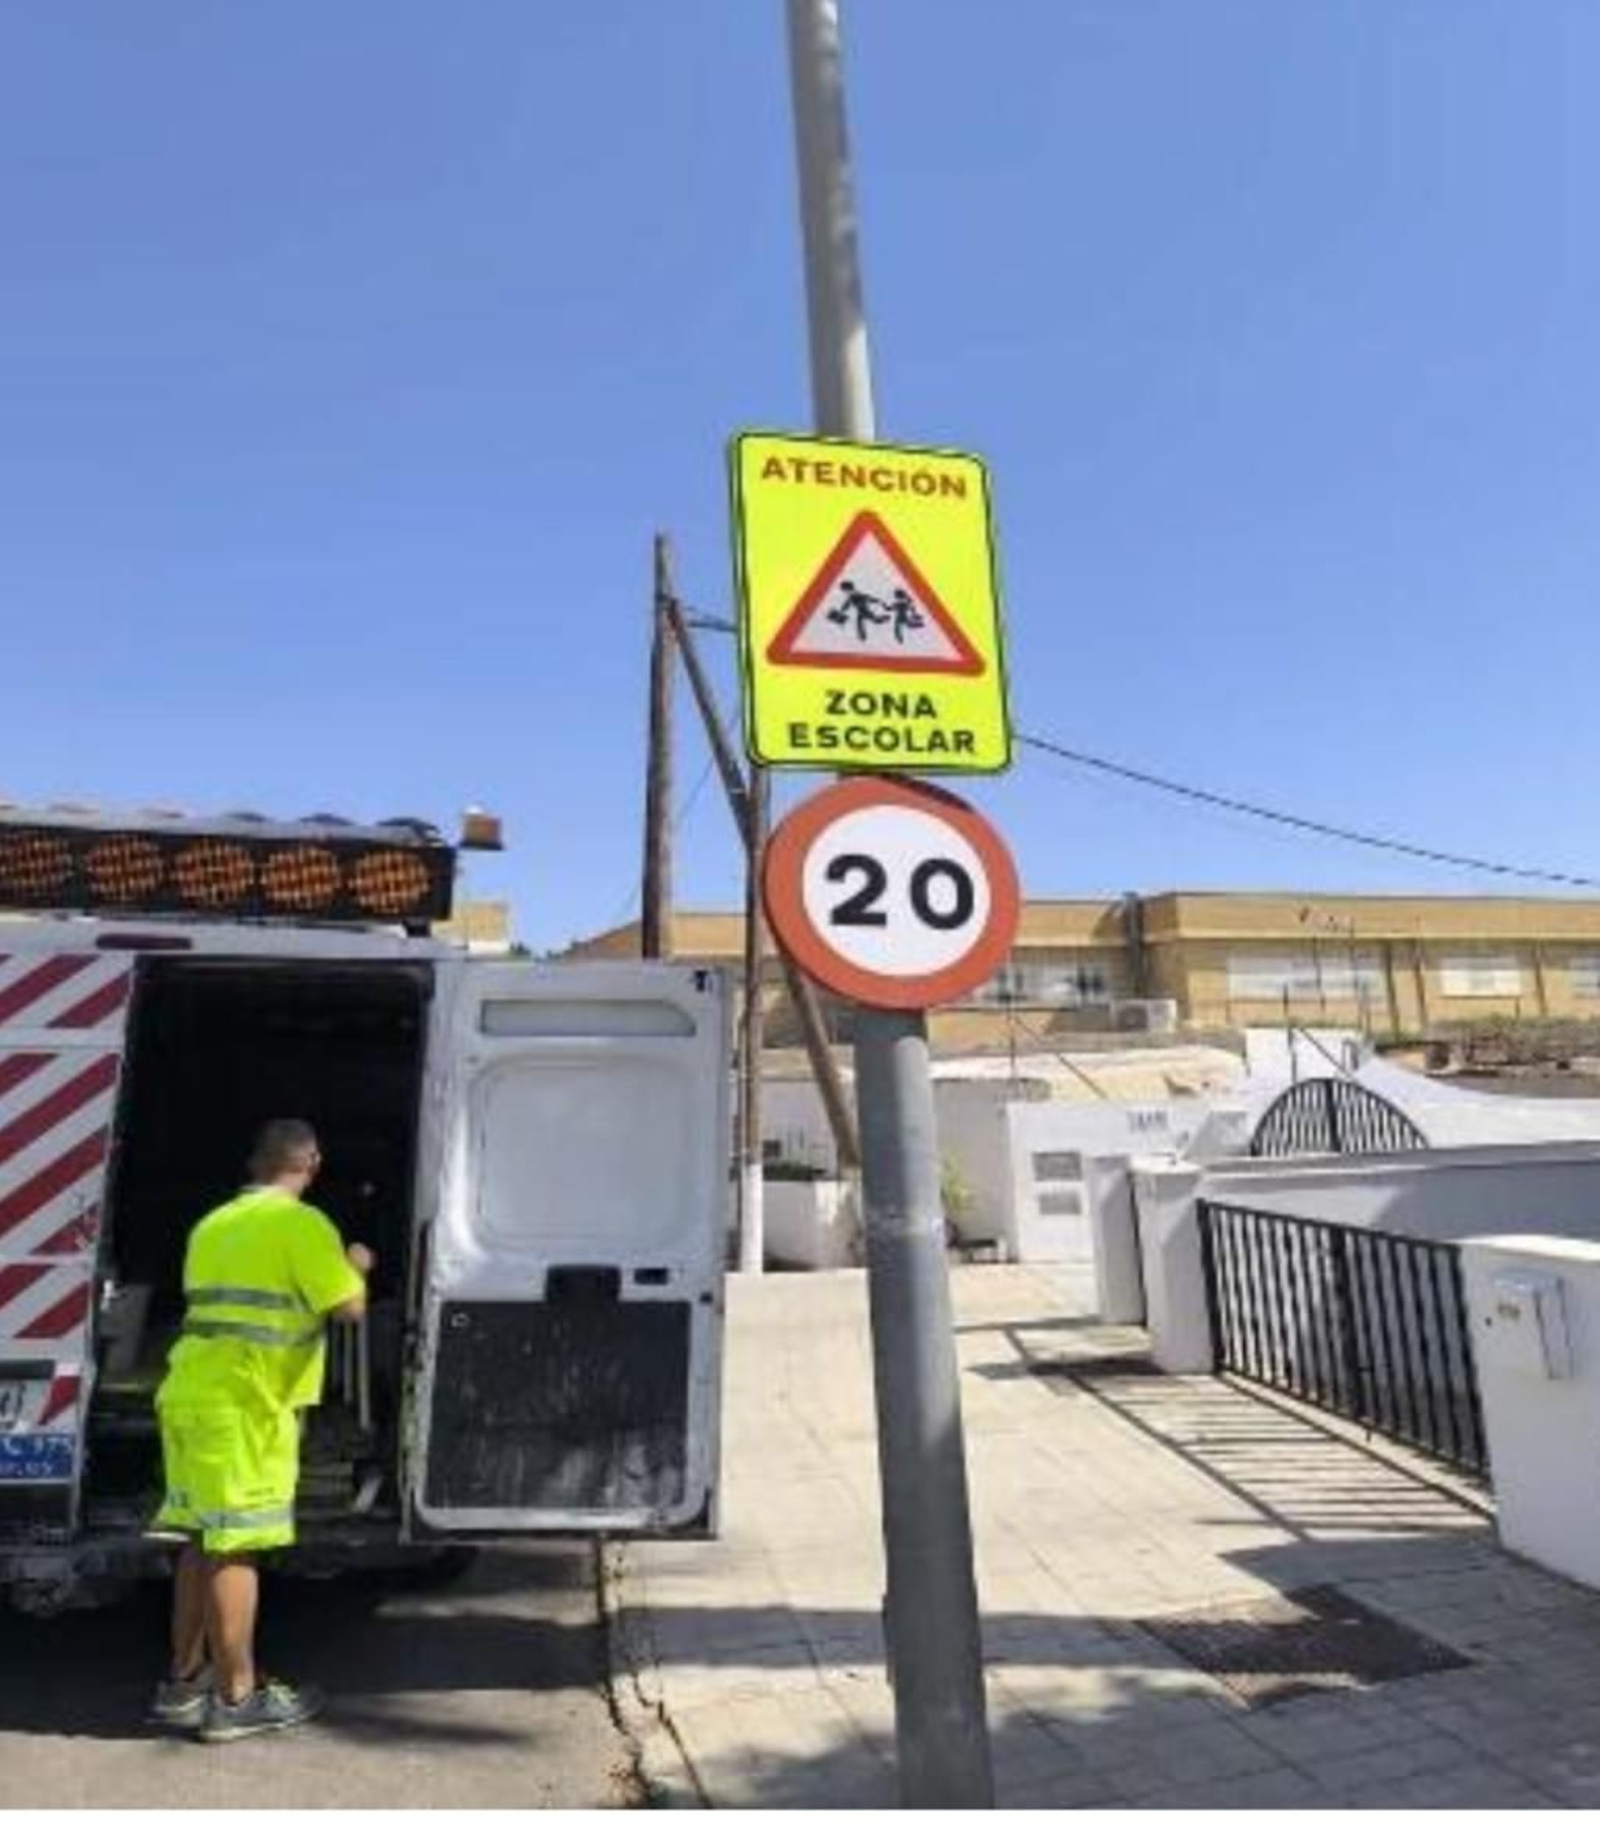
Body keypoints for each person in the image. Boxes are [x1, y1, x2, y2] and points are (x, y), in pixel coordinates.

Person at [147, 1119, 374, 1742]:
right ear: (313, 1162)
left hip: (190, 1395)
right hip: (247, 1405)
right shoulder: (302, 1225)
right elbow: (348, 1308)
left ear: (255, 1163)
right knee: (235, 1546)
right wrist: (355, 1263)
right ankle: (237, 1697)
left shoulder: (213, 1223)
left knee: (199, 1538)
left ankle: (184, 1682)